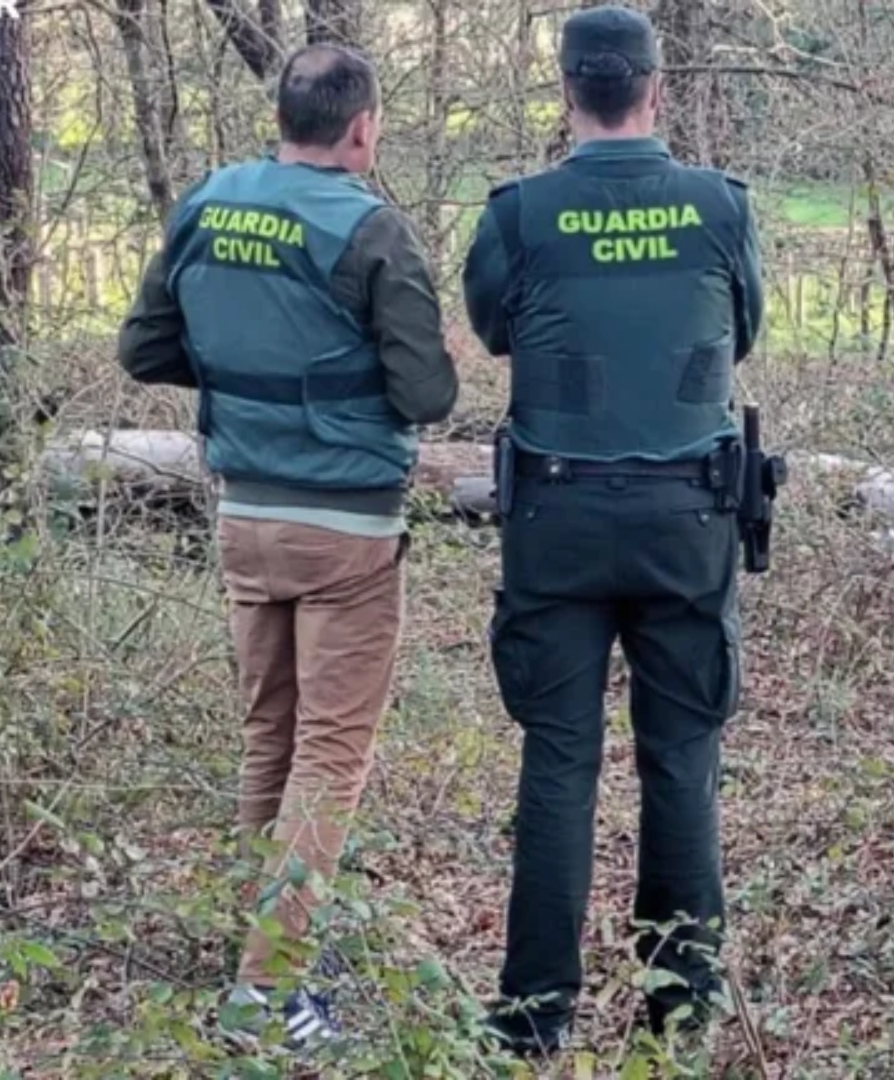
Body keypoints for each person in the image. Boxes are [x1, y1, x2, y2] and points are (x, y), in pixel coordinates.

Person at [116, 43, 458, 1052]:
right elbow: (426, 395)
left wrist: (245, 375)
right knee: (330, 757)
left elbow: (144, 348)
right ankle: (267, 993)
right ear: (362, 128)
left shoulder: (207, 204)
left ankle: (257, 951)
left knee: (269, 736)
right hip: (345, 528)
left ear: (283, 119)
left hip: (243, 519)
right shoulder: (372, 229)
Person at [461, 4, 765, 1055]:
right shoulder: (719, 207)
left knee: (558, 761)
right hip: (687, 520)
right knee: (681, 758)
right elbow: (744, 329)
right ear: (655, 89)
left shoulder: (520, 214)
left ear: (567, 94)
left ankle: (532, 1020)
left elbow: (492, 328)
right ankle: (681, 1014)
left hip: (559, 521)